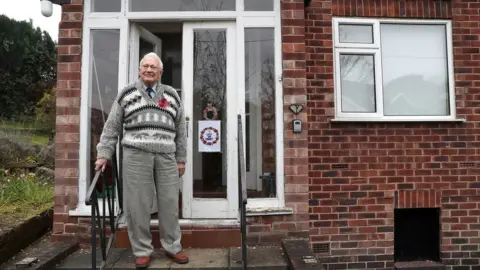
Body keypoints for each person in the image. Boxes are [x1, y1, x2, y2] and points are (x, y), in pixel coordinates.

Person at [95, 52, 188, 268]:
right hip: (135, 155)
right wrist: (103, 154)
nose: (148, 70)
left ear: (160, 72)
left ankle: (173, 246)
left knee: (169, 203)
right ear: (139, 70)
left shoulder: (172, 95)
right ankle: (142, 250)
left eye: (153, 67)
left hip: (166, 156)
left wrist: (181, 158)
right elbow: (111, 127)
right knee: (137, 204)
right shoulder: (126, 94)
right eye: (145, 66)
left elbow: (181, 131)